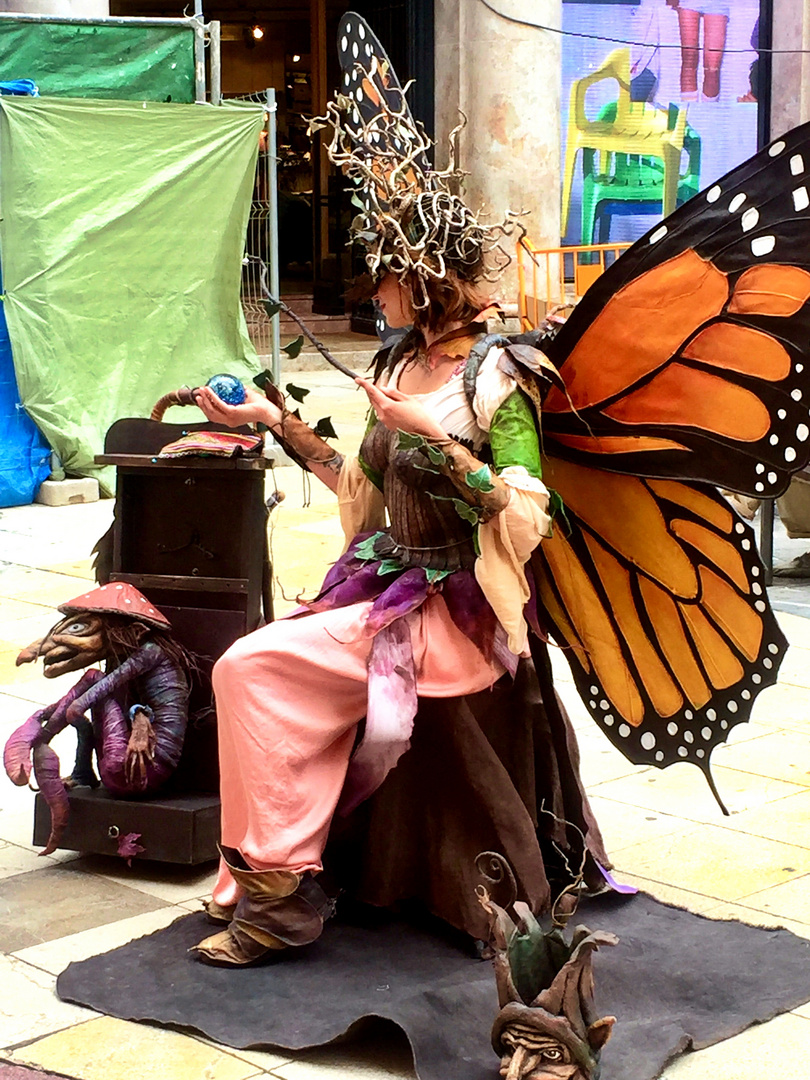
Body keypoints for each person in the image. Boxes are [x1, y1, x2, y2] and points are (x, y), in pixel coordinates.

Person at [189, 208, 612, 965]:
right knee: (254, 665)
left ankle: (279, 904)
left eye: (382, 277)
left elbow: (525, 513)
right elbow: (358, 487)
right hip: (385, 582)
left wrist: (440, 439)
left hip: (457, 607)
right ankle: (279, 879)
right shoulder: (395, 364)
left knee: (249, 669)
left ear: (422, 281)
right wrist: (274, 420)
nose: (372, 295)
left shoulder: (498, 374)